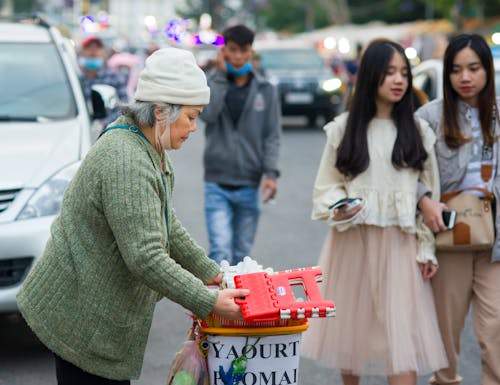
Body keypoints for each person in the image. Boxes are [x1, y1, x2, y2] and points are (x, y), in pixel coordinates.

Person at [16, 47, 249, 385]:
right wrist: (209, 301)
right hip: (79, 315)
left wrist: (210, 274)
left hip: (93, 310)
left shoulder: (149, 145)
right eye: (191, 116)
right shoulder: (126, 159)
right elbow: (147, 256)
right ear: (160, 111)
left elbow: (167, 224)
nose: (195, 127)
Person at [300, 38, 448, 385]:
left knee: (402, 344)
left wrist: (426, 246)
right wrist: (340, 208)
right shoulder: (344, 128)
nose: (398, 80)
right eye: (388, 73)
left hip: (400, 246)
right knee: (351, 342)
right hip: (353, 245)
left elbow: (428, 192)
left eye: (403, 73)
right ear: (370, 77)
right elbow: (326, 187)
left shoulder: (418, 132)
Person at [416, 33, 500, 385]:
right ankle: (445, 380)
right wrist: (424, 200)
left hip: (494, 237)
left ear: (487, 70)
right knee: (446, 330)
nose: (465, 77)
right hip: (449, 234)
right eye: (456, 70)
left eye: (474, 68)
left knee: (494, 326)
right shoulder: (430, 117)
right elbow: (406, 171)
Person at [200, 24, 281, 266]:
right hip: (216, 182)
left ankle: (238, 304)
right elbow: (208, 115)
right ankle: (218, 303)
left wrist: (271, 174)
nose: (237, 57)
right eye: (232, 50)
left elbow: (272, 135)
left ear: (250, 52)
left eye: (243, 50)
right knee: (219, 250)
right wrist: (221, 77)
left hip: (249, 183)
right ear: (223, 51)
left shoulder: (266, 89)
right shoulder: (211, 82)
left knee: (242, 255)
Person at [78, 36, 129, 127]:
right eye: (89, 48)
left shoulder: (114, 77)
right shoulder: (77, 79)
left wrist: (104, 123)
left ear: (104, 53)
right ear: (82, 53)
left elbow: (124, 107)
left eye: (97, 48)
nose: (93, 52)